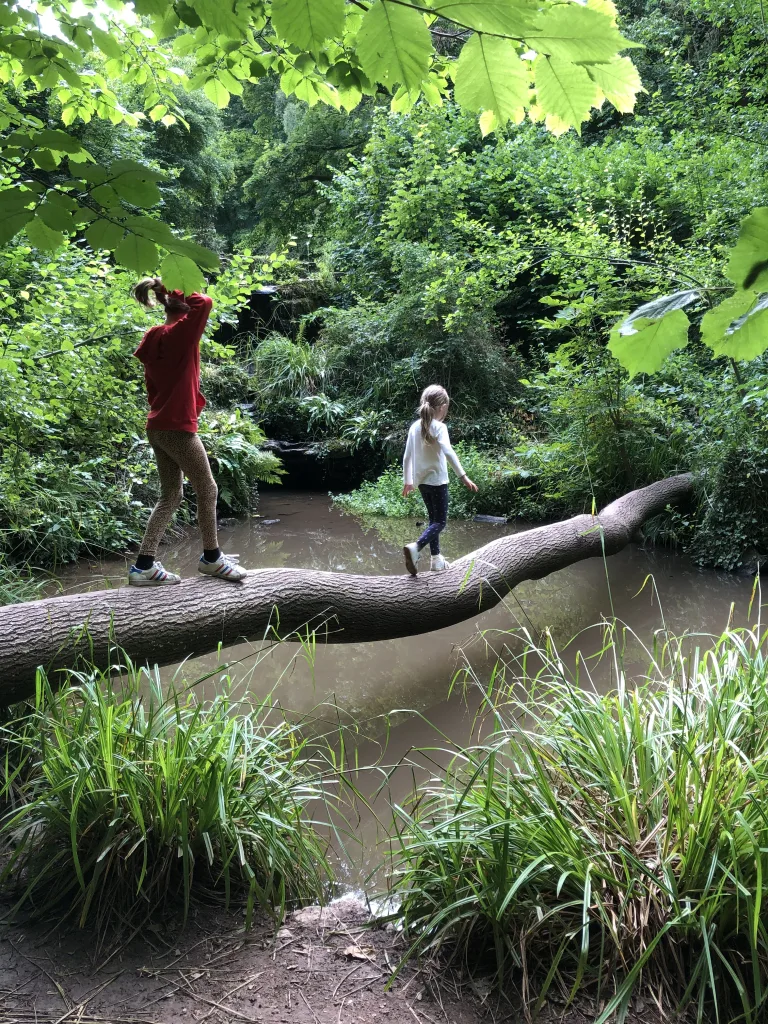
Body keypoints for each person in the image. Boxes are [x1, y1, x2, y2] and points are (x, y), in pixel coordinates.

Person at [128, 277, 247, 586]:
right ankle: (211, 558)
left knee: (171, 495)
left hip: (158, 426)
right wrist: (172, 284)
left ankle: (144, 565)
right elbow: (204, 303)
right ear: (183, 305)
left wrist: (164, 289)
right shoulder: (178, 335)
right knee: (208, 489)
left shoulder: (155, 335)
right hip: (177, 429)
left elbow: (153, 387)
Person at [401, 384, 477, 575]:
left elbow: (407, 457)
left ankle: (436, 560)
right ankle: (416, 547)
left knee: (433, 520)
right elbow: (449, 452)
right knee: (440, 522)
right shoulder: (439, 427)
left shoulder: (414, 427)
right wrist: (463, 476)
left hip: (422, 483)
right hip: (438, 482)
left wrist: (408, 481)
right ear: (442, 407)